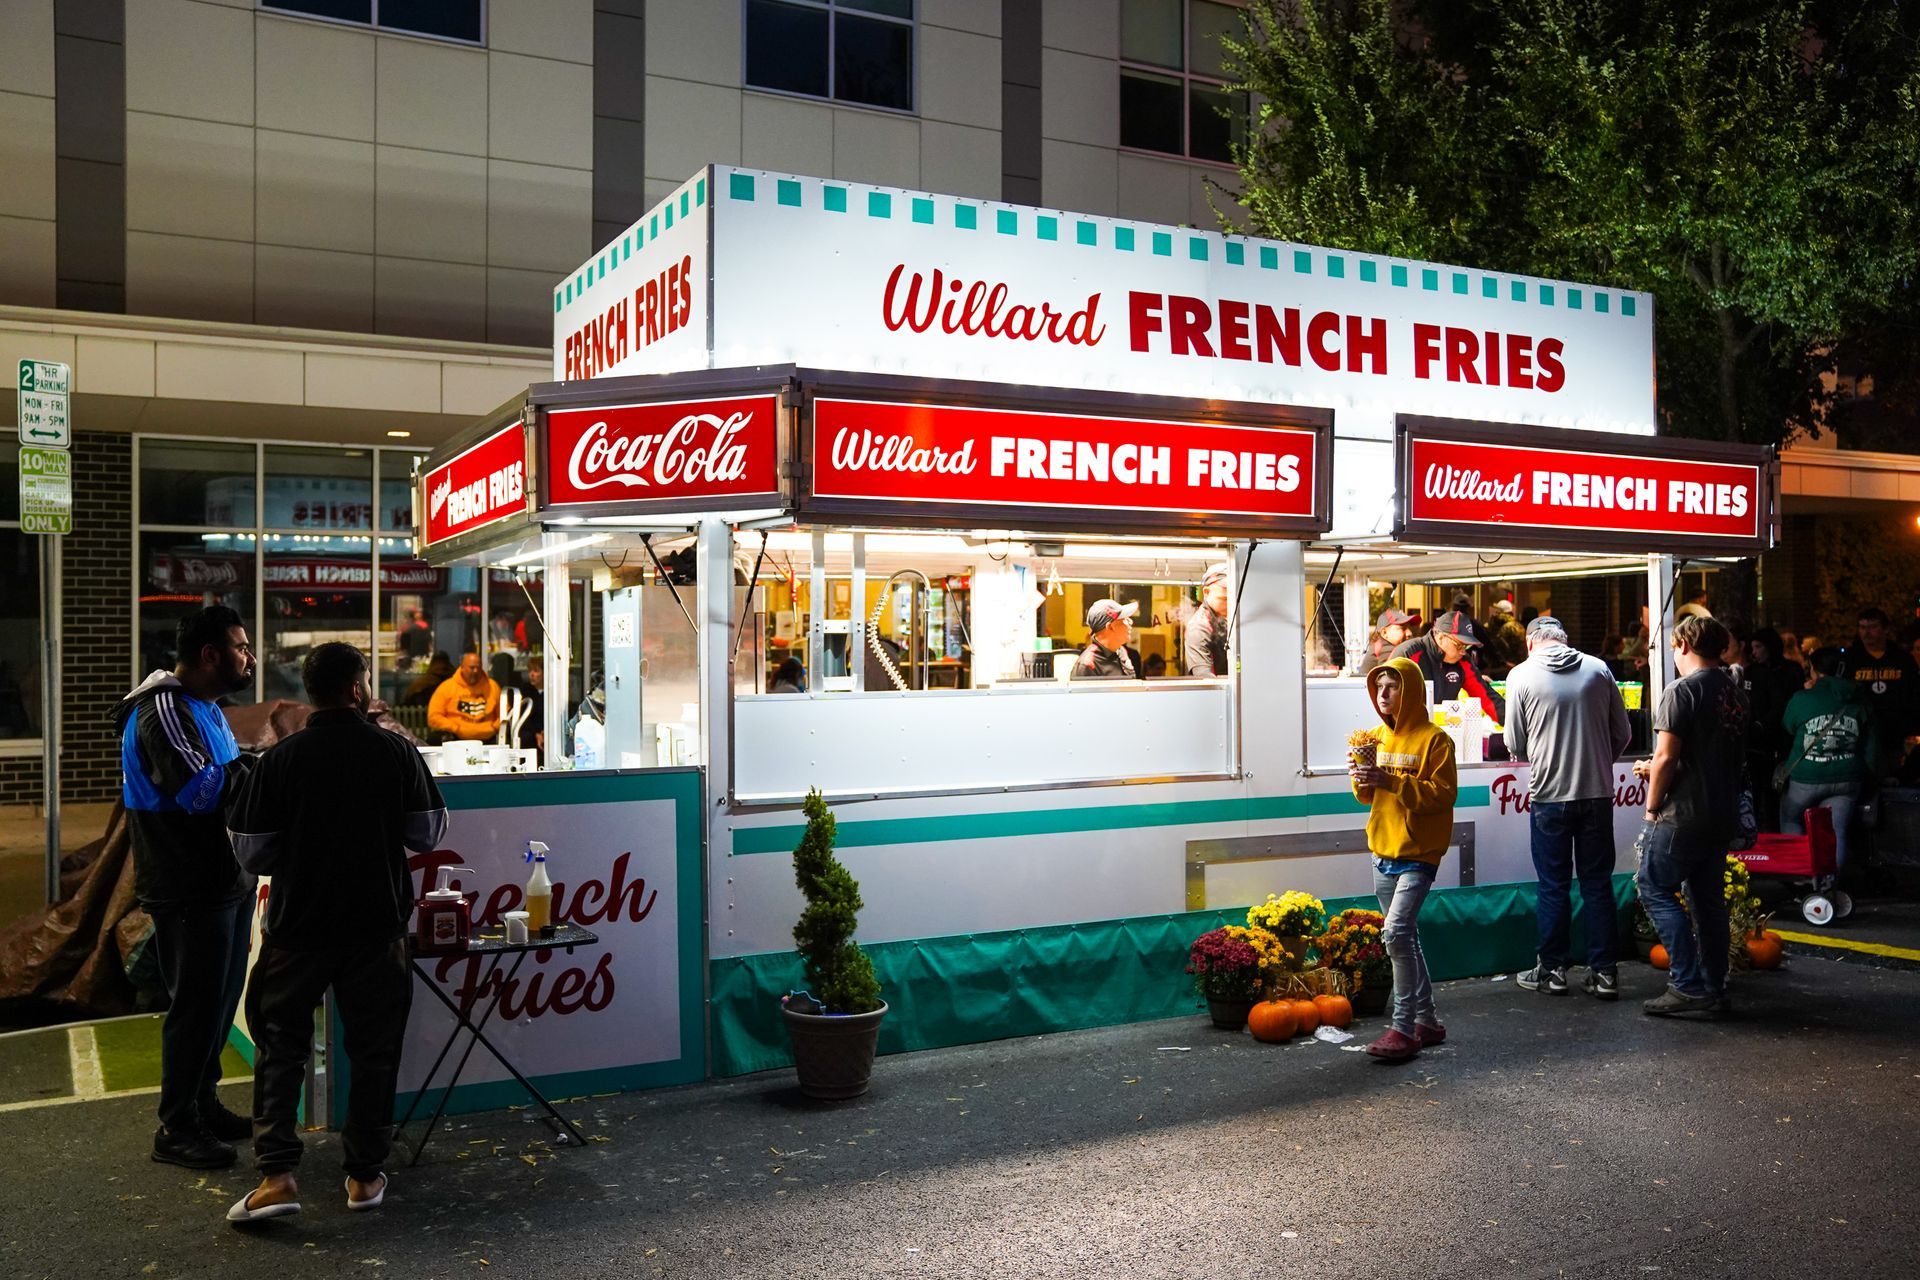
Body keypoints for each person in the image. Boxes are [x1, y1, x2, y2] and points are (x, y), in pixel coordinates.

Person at [224, 643, 447, 1223]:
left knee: (281, 1046)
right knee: (375, 1050)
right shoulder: (395, 752)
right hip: (378, 925)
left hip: (299, 925)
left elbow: (250, 851)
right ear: (356, 688)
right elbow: (427, 832)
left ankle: (278, 1177)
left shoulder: (279, 760)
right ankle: (366, 1176)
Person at [117, 604, 259, 1169]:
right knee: (195, 1004)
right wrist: (255, 770)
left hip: (224, 876)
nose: (248, 657)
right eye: (241, 647)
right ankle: (176, 1127)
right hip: (187, 880)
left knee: (220, 999)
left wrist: (248, 766)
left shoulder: (206, 707)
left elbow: (226, 773)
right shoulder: (164, 710)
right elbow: (199, 790)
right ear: (209, 655)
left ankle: (203, 1102)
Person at [1505, 617, 1632, 999]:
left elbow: (1515, 741)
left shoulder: (1520, 675)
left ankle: (1553, 971)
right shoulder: (1598, 668)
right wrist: (1598, 762)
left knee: (1553, 886)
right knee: (1597, 885)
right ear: (1565, 640)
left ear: (1530, 643)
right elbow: (1624, 732)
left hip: (1549, 796)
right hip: (1597, 796)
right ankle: (1605, 973)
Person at [1632, 614, 1748, 1018]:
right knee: (1708, 903)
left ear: (1683, 645)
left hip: (1683, 813)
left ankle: (1686, 984)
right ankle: (1714, 986)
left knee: (1653, 886)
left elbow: (1667, 756)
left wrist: (1650, 807)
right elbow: (1708, 754)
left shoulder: (1681, 691)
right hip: (1722, 810)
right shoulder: (1733, 692)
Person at [1349, 657, 1457, 1061]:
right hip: (1382, 850)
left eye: (1392, 687)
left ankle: (1403, 1027)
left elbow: (1443, 795)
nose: (1383, 695)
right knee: (1405, 938)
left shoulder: (1436, 740)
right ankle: (1426, 1021)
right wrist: (1362, 779)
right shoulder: (1375, 737)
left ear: (1410, 692)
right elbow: (1368, 797)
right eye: (1378, 688)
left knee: (1394, 935)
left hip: (1419, 854)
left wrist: (1390, 780)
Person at [1779, 647, 1877, 883]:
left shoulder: (1803, 698)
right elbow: (1871, 745)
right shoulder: (1859, 698)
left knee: (1791, 818)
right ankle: (1830, 884)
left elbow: (1788, 727)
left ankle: (1801, 879)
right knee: (1837, 830)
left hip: (1807, 777)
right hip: (1847, 777)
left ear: (1813, 669)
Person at [1840, 606, 1917, 774]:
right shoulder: (1851, 659)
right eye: (1862, 627)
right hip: (1861, 732)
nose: (1866, 633)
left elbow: (1913, 693)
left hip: (1894, 731)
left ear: (1885, 629)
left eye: (1873, 627)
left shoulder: (1901, 659)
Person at [1392, 611, 1505, 721]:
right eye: (1459, 645)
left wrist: (1517, 723)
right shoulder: (1408, 654)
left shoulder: (1463, 661)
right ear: (1441, 638)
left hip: (1442, 731)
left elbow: (1487, 698)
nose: (1463, 652)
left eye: (1467, 647)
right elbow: (1387, 697)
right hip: (1405, 730)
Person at [1743, 628, 1802, 830]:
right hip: (1759, 744)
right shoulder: (1753, 672)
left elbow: (1784, 704)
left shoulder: (1789, 671)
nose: (1755, 652)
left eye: (1759, 647)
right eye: (1753, 648)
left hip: (1782, 738)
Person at [426, 651, 501, 743]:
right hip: (456, 737)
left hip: (488, 737)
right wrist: (455, 728)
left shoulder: (492, 686)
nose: (476, 671)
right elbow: (433, 717)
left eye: (478, 667)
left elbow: (505, 714)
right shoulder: (447, 687)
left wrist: (494, 728)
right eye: (472, 668)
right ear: (462, 667)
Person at [1071, 599, 1143, 680]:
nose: (1131, 621)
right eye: (1124, 618)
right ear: (1110, 627)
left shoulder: (1121, 651)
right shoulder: (1087, 665)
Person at [1183, 563, 1231, 676]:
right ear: (1206, 592)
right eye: (1224, 599)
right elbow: (1205, 678)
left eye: (1233, 598)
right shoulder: (1198, 628)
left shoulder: (1227, 617)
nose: (1230, 604)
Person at [1359, 607, 1419, 677]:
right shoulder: (1389, 651)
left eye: (1409, 627)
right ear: (1384, 633)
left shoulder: (1379, 645)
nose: (1409, 633)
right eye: (1403, 628)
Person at [1483, 599, 1527, 677]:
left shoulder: (1490, 626)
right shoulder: (1515, 627)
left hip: (1494, 667)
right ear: (1511, 613)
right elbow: (1522, 649)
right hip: (1513, 667)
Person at [517, 658, 545, 753]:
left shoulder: (552, 695)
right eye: (529, 671)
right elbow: (523, 717)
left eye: (536, 671)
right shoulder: (525, 691)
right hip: (530, 734)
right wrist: (535, 734)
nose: (532, 675)